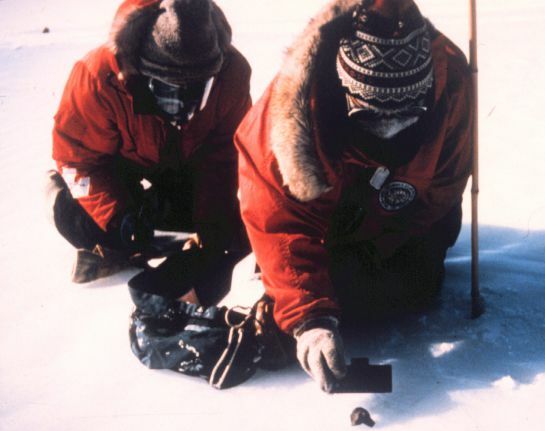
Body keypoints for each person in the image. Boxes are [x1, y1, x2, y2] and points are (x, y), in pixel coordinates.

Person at [235, 0, 473, 392]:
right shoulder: (289, 117)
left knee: (415, 290)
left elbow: (444, 186)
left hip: (406, 218)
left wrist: (379, 246)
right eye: (373, 117)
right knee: (319, 299)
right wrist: (309, 319)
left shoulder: (452, 84)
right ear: (345, 91)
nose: (389, 131)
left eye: (406, 116)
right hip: (324, 219)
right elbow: (276, 221)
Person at [45, 0, 252, 298]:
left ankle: (152, 231)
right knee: (82, 222)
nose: (183, 109)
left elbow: (225, 156)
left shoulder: (232, 74)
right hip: (118, 165)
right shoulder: (98, 77)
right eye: (169, 94)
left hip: (185, 165)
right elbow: (76, 160)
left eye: (196, 92)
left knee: (220, 231)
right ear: (143, 76)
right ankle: (59, 202)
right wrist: (120, 218)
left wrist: (210, 227)